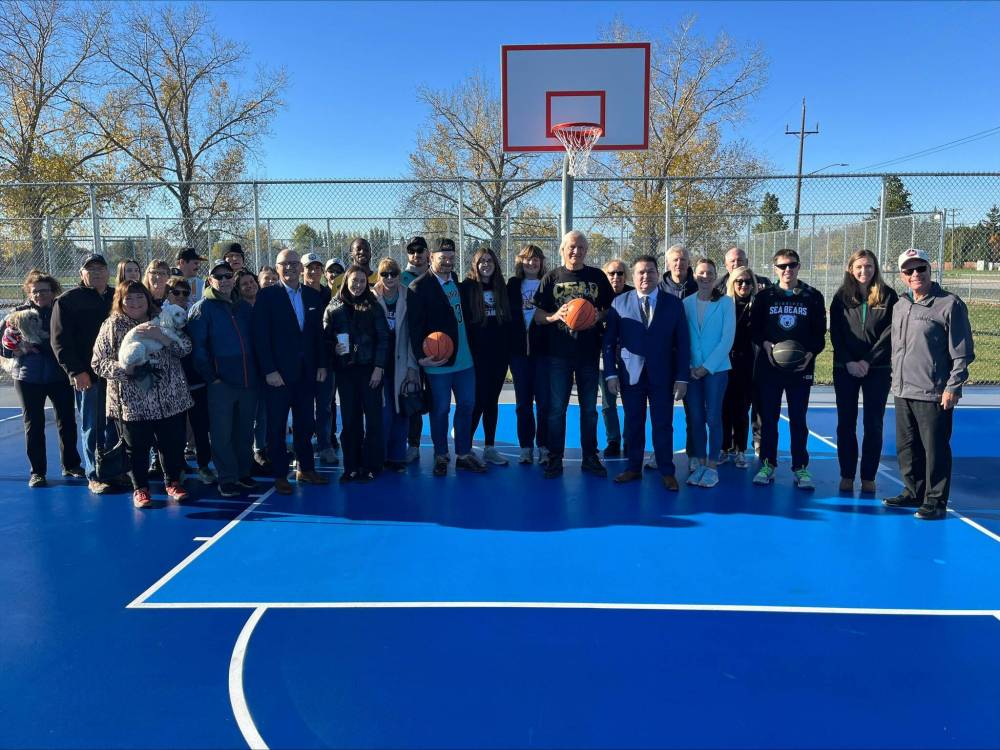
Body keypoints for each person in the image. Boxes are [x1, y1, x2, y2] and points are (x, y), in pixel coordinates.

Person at [883, 248, 975, 520]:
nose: (915, 275)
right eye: (908, 271)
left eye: (920, 268)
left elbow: (962, 351)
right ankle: (913, 491)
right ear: (902, 275)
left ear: (929, 269)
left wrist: (952, 386)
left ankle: (935, 501)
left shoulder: (949, 304)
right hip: (902, 390)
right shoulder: (900, 305)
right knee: (906, 447)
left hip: (933, 392)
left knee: (935, 449)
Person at [90, 281, 193, 508]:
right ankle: (141, 489)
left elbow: (185, 348)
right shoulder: (112, 325)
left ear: (147, 299)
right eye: (129, 299)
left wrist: (162, 337)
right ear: (120, 301)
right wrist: (125, 370)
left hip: (170, 397)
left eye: (140, 298)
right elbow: (98, 363)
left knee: (172, 444)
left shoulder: (164, 318)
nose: (135, 303)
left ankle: (172, 482)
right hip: (132, 403)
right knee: (136, 448)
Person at [533, 230, 614, 479]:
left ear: (586, 251)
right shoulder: (551, 277)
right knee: (557, 408)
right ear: (562, 249)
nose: (576, 251)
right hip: (558, 354)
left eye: (580, 247)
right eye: (571, 247)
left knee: (589, 409)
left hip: (589, 353)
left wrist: (596, 316)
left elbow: (610, 309)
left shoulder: (597, 276)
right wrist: (556, 316)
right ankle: (555, 457)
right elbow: (537, 316)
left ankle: (590, 456)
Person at [602, 255, 689, 490]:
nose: (645, 276)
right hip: (631, 375)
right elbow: (609, 343)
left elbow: (682, 343)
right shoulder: (619, 303)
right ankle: (633, 468)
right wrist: (610, 374)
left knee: (663, 424)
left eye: (650, 271)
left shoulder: (674, 304)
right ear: (634, 275)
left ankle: (667, 471)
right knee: (633, 423)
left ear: (658, 274)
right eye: (640, 272)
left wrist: (682, 377)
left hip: (663, 375)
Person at [252, 248, 330, 494]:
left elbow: (319, 335)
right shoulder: (267, 296)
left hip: (306, 374)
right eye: (285, 264)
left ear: (301, 268)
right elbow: (260, 338)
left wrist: (321, 365)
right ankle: (280, 474)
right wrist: (269, 370)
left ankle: (305, 469)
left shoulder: (312, 295)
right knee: (276, 427)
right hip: (278, 376)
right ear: (277, 267)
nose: (290, 268)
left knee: (305, 424)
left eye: (294, 264)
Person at [407, 237, 485, 476]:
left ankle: (463, 453)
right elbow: (414, 327)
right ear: (432, 257)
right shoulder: (419, 287)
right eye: (443, 258)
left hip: (465, 361)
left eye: (451, 258)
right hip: (438, 362)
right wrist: (421, 356)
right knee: (440, 409)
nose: (448, 262)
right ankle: (441, 454)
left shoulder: (458, 286)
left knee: (467, 405)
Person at [751, 249, 826, 489]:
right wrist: (765, 345)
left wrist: (809, 354)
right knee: (769, 420)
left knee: (798, 419)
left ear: (799, 266)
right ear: (775, 269)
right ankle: (767, 464)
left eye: (792, 265)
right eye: (782, 266)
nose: (787, 270)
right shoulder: (765, 297)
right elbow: (755, 329)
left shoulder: (812, 296)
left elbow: (820, 334)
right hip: (770, 367)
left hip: (799, 367)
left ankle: (800, 467)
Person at [1, 272, 83, 487]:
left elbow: (68, 341)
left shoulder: (62, 311)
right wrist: (17, 349)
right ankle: (37, 472)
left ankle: (72, 465)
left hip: (59, 376)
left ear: (53, 291)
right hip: (27, 378)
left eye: (44, 290)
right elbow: (4, 347)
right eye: (35, 291)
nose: (39, 295)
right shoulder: (15, 315)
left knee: (66, 421)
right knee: (33, 424)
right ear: (29, 292)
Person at [187, 260, 259, 498]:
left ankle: (243, 473)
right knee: (222, 433)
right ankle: (227, 478)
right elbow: (198, 349)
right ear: (210, 280)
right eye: (219, 276)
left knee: (244, 431)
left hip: (248, 381)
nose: (225, 280)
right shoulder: (202, 308)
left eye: (228, 275)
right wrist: (212, 377)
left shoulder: (243, 307)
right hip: (221, 384)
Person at [830, 249, 898, 494]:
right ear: (851, 269)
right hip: (845, 368)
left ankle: (868, 476)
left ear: (875, 268)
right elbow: (837, 334)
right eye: (859, 266)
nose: (864, 271)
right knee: (846, 423)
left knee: (873, 424)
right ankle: (847, 474)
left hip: (877, 369)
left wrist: (868, 361)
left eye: (868, 266)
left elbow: (890, 335)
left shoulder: (889, 296)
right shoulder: (840, 298)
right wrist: (849, 361)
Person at [51, 253, 118, 494]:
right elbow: (59, 342)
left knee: (116, 426)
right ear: (81, 273)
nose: (97, 273)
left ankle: (114, 471)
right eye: (91, 269)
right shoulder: (68, 301)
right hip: (88, 377)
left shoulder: (116, 296)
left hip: (117, 376)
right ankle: (95, 474)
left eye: (101, 268)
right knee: (93, 426)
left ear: (108, 272)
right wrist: (76, 372)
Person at [325, 265, 389, 481]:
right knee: (350, 420)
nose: (358, 285)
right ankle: (351, 465)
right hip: (346, 372)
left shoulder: (374, 306)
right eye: (355, 280)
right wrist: (333, 347)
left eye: (362, 281)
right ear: (346, 281)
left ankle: (371, 465)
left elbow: (383, 339)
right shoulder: (334, 307)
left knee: (373, 420)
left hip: (370, 370)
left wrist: (379, 368)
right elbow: (326, 337)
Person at [682, 258, 735, 488]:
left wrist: (706, 367)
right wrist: (693, 367)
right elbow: (683, 338)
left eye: (710, 273)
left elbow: (727, 340)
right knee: (695, 419)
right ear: (696, 276)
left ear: (716, 276)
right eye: (701, 273)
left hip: (716, 370)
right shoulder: (685, 303)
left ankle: (712, 466)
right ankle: (701, 464)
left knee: (713, 418)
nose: (705, 277)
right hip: (692, 371)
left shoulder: (726, 303)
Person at [462, 247, 512, 466]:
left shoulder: (502, 287)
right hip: (476, 354)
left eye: (489, 260)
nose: (485, 264)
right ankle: (466, 445)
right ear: (475, 264)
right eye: (481, 261)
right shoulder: (467, 288)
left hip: (499, 354)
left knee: (492, 400)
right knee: (479, 400)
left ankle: (490, 447)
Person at [373, 258, 420, 471]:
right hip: (379, 363)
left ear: (399, 274)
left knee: (402, 411)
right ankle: (379, 456)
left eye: (393, 273)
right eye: (385, 274)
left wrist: (413, 366)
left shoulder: (408, 295)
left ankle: (397, 457)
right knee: (384, 413)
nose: (389, 278)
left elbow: (413, 335)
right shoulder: (372, 297)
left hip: (402, 361)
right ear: (379, 276)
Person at [507, 244, 549, 465]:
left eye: (536, 259)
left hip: (543, 352)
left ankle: (543, 446)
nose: (532, 263)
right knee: (523, 403)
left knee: (544, 403)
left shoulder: (549, 283)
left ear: (542, 262)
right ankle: (525, 447)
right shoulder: (513, 285)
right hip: (518, 353)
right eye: (527, 259)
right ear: (520, 262)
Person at [302, 251, 339, 465]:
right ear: (302, 270)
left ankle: (325, 445)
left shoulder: (329, 294)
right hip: (306, 362)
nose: (313, 271)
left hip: (327, 360)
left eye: (317, 267)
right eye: (309, 267)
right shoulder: (298, 295)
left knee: (325, 406)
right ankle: (304, 447)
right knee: (305, 407)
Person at [720, 266, 756, 469]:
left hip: (747, 363)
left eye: (747, 281)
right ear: (732, 283)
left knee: (742, 409)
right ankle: (724, 448)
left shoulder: (757, 305)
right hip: (724, 363)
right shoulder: (724, 305)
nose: (743, 285)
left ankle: (741, 449)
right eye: (739, 281)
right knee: (724, 408)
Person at [600, 258, 634, 459]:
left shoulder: (633, 295)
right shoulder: (599, 296)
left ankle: (630, 439)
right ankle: (613, 440)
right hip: (604, 356)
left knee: (631, 402)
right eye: (611, 273)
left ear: (625, 276)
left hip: (630, 358)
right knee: (607, 402)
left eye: (620, 273)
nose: (616, 277)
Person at [401, 236, 430, 463]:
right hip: (409, 347)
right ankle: (412, 444)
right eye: (412, 250)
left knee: (437, 400)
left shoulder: (439, 276)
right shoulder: (399, 278)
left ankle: (442, 447)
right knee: (411, 396)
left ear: (428, 253)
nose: (416, 254)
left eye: (420, 250)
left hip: (437, 347)